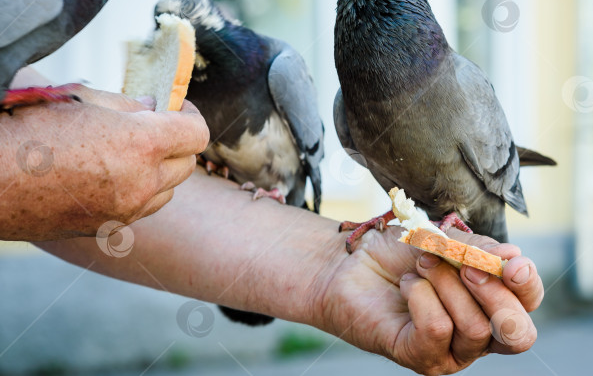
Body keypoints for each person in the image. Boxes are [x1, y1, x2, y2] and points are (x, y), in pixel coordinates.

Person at [4, 68, 544, 375]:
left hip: (474, 198)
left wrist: (325, 268)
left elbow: (94, 192)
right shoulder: (350, 103)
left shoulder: (457, 87)